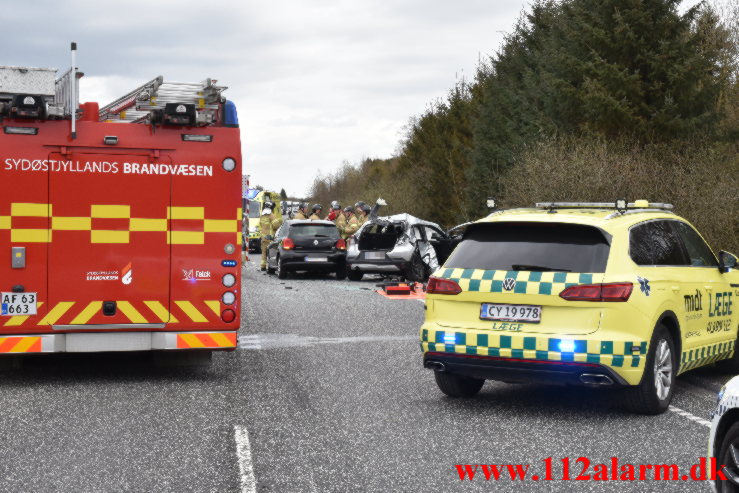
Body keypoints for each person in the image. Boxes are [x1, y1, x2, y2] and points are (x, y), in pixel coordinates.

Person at [259, 201, 282, 271]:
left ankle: (263, 266)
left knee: (264, 252)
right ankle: (270, 266)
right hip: (270, 237)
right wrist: (279, 222)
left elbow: (260, 225)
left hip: (263, 237)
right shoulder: (271, 215)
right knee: (271, 252)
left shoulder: (262, 215)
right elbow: (276, 226)